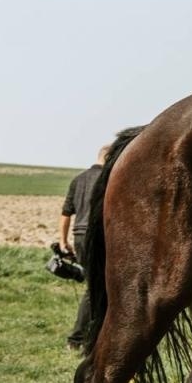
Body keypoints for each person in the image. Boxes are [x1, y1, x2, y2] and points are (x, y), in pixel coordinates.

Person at [59, 146, 109, 349]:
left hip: (79, 235)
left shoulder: (78, 179)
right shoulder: (107, 179)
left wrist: (63, 241)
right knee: (96, 288)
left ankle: (89, 337)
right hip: (97, 236)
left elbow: (65, 213)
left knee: (95, 286)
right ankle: (78, 338)